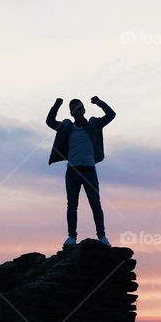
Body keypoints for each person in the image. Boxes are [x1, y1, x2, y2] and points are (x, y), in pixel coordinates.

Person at [46, 96, 116, 247]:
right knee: (72, 205)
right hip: (73, 171)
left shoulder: (94, 124)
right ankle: (72, 237)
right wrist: (57, 104)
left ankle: (102, 236)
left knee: (95, 204)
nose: (77, 110)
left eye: (79, 107)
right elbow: (50, 122)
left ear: (84, 109)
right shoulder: (67, 127)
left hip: (89, 171)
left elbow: (111, 115)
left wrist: (99, 102)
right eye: (73, 109)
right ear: (71, 113)